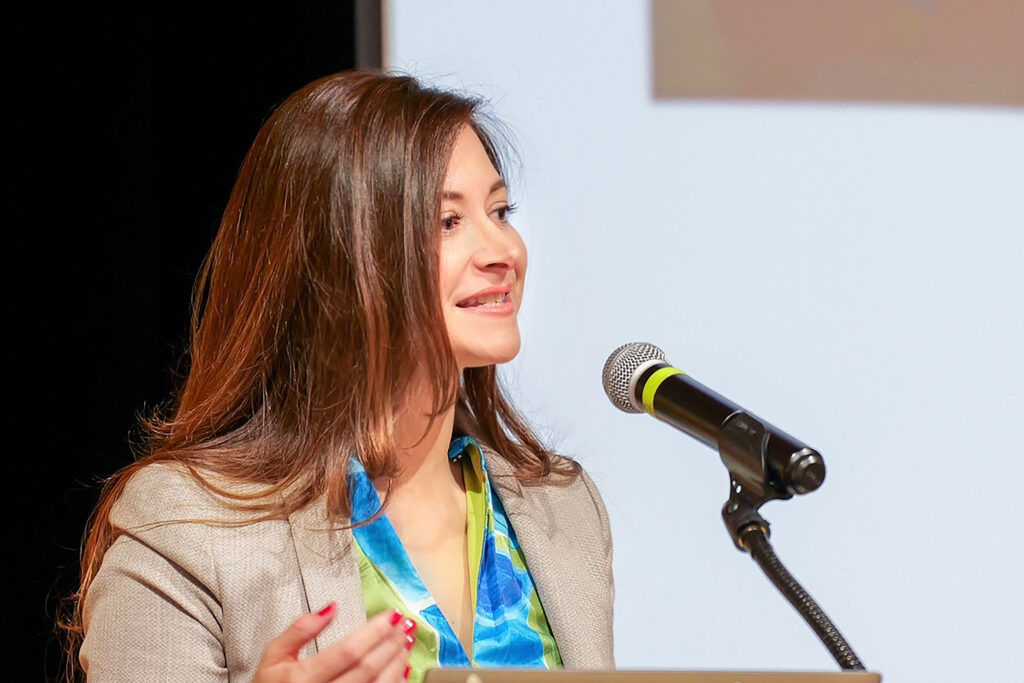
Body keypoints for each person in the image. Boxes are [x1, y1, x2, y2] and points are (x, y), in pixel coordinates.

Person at [65, 72, 614, 682]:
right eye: (447, 222)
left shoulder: (561, 506)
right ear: (340, 259)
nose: (503, 250)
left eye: (499, 211)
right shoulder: (188, 526)